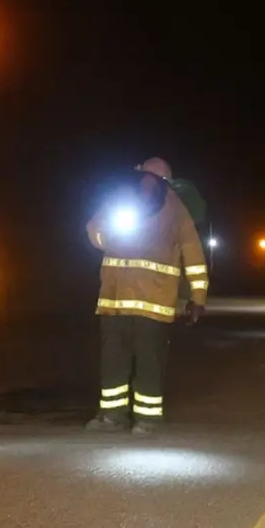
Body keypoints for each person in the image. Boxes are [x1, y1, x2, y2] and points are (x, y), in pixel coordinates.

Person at [84, 157, 209, 435]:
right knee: (116, 359)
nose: (144, 183)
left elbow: (193, 254)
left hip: (150, 303)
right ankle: (113, 416)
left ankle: (146, 419)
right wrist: (114, 241)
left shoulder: (176, 210)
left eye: (147, 178)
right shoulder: (120, 201)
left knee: (146, 361)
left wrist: (198, 297)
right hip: (116, 302)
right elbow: (95, 230)